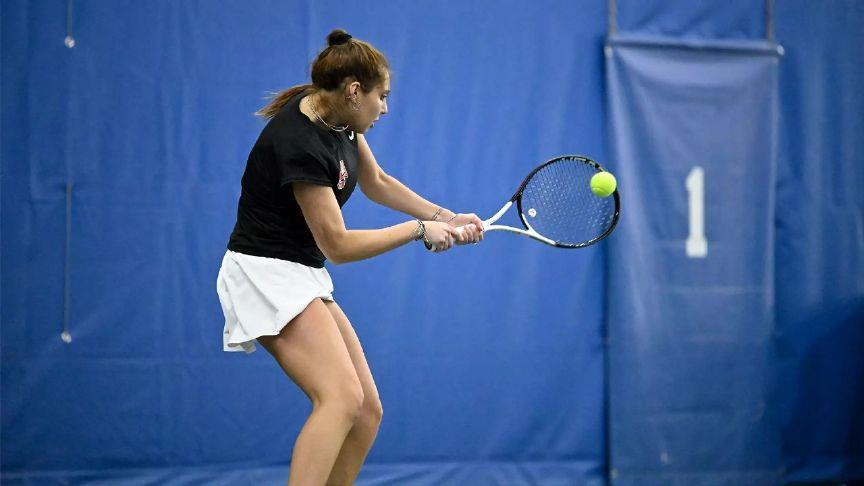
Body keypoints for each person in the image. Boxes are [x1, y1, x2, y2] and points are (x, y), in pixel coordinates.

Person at [216, 29, 483, 486]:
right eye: (383, 97)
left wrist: (447, 215)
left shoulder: (339, 118)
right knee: (339, 398)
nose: (385, 109)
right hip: (264, 273)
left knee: (365, 412)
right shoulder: (299, 141)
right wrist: (417, 230)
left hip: (300, 272)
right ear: (355, 90)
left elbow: (376, 181)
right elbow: (337, 247)